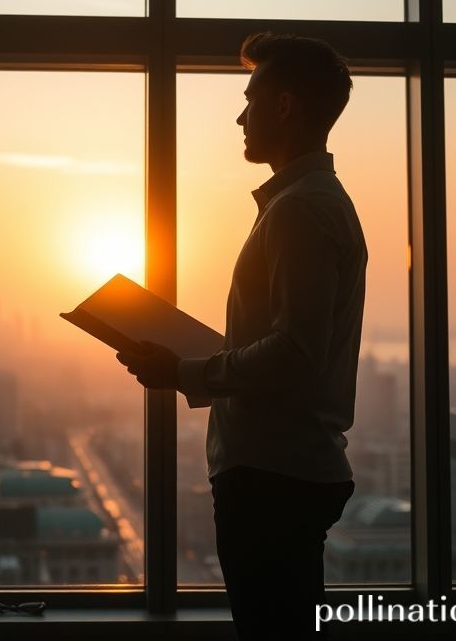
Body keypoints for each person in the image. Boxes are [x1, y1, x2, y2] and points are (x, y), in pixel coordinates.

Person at [117, 32, 367, 640]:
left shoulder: (300, 210)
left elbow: (296, 353)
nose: (239, 114)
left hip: (272, 478)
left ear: (285, 106)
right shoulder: (304, 204)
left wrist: (184, 372)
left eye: (251, 98)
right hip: (280, 474)